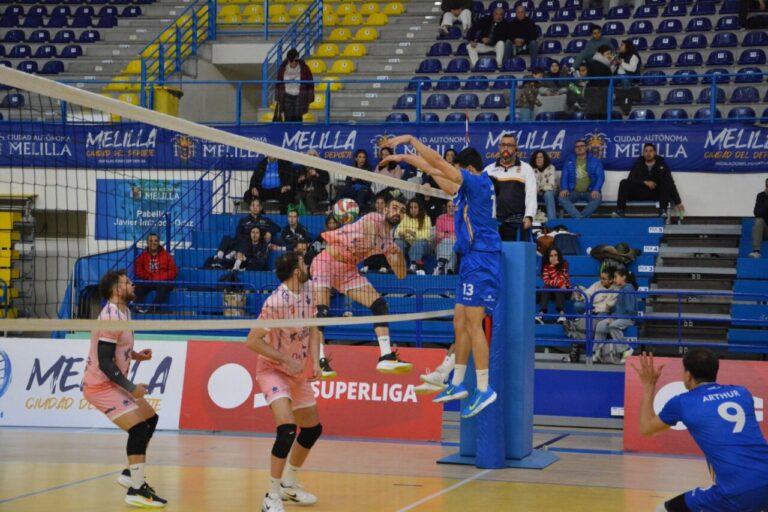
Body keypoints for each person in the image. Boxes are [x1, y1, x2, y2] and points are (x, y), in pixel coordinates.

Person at [380, 137, 501, 419]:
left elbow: (437, 163)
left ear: (468, 169)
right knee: (459, 320)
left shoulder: (480, 183)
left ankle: (484, 388)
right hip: (471, 258)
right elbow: (434, 171)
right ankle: (456, 382)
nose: (452, 173)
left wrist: (409, 140)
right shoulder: (465, 192)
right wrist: (402, 159)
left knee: (474, 324)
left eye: (456, 169)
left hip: (482, 259)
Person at [633, 348, 768, 512]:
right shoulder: (742, 393)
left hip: (736, 491)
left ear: (688, 375)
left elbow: (646, 429)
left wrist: (649, 385)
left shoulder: (683, 403)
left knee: (662, 510)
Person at [245, 252, 323, 512]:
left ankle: (290, 483)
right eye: (303, 263)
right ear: (295, 271)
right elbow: (252, 341)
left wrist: (317, 361)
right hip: (273, 370)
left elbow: (313, 328)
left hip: (298, 371)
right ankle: (272, 495)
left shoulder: (310, 290)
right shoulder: (276, 302)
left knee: (312, 429)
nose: (307, 265)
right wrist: (285, 360)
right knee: (287, 428)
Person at [82, 270, 167, 508]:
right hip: (100, 386)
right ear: (116, 289)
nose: (133, 284)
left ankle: (131, 473)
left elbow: (118, 349)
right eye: (128, 282)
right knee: (139, 428)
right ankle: (136, 489)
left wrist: (137, 356)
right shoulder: (110, 316)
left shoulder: (124, 311)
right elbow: (105, 361)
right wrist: (132, 387)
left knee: (150, 419)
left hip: (113, 382)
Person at [310, 191, 412, 375]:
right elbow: (370, 236)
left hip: (348, 270)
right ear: (386, 209)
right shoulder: (374, 219)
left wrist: (398, 254)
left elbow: (401, 275)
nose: (398, 212)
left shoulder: (389, 241)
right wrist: (381, 247)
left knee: (379, 304)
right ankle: (320, 361)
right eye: (395, 208)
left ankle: (386, 357)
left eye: (402, 211)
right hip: (326, 262)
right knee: (321, 311)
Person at [484, 132, 537, 241]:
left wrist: (529, 216)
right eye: (503, 145)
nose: (506, 148)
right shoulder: (488, 170)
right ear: (499, 147)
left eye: (509, 145)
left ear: (516, 148)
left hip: (517, 222)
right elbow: (482, 196)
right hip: (493, 222)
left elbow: (531, 195)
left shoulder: (526, 169)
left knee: (516, 256)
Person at [613, 143, 684, 219]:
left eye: (650, 151)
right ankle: (620, 211)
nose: (648, 153)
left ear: (655, 153)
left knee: (666, 183)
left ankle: (663, 211)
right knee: (624, 182)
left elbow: (671, 183)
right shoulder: (638, 164)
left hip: (655, 193)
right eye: (646, 151)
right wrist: (645, 182)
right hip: (640, 192)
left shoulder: (662, 165)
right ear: (643, 153)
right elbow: (631, 180)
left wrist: (678, 202)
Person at [564, 269, 619, 362]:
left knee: (596, 320)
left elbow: (608, 307)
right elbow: (588, 293)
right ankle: (577, 328)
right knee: (578, 305)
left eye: (604, 279)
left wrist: (595, 308)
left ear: (611, 280)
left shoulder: (616, 289)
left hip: (603, 312)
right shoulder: (597, 284)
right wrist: (581, 296)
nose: (601, 280)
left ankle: (574, 330)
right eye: (601, 278)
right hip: (593, 307)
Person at [209, 198, 280, 268]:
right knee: (226, 238)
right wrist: (246, 239)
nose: (255, 207)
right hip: (242, 243)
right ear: (250, 207)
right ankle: (219, 257)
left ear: (260, 208)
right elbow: (238, 234)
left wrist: (269, 232)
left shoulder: (265, 220)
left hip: (255, 246)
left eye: (257, 206)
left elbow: (277, 227)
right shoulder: (243, 220)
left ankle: (231, 257)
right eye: (253, 205)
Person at [593, 268, 636, 364]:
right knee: (600, 325)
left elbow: (630, 310)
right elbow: (619, 308)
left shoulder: (628, 289)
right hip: (619, 317)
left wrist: (614, 319)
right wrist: (612, 315)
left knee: (613, 326)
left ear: (623, 277)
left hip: (628, 319)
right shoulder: (622, 289)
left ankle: (627, 349)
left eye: (616, 277)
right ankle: (597, 352)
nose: (615, 279)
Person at [558, 139, 605, 218]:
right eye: (577, 146)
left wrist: (596, 189)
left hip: (589, 192)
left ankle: (580, 218)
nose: (579, 148)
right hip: (574, 192)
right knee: (561, 197)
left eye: (582, 146)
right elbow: (564, 176)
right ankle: (579, 218)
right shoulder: (569, 161)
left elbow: (600, 177)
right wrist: (564, 188)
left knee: (597, 198)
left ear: (586, 148)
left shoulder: (595, 161)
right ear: (574, 149)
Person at [132, 232, 177, 313]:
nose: (153, 243)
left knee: (165, 287)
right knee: (138, 286)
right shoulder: (142, 256)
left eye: (156, 241)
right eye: (151, 241)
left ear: (159, 242)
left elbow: (173, 271)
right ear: (147, 242)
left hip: (161, 281)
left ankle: (153, 309)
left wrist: (160, 277)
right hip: (148, 280)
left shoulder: (166, 256)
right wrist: (147, 276)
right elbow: (137, 269)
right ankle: (138, 308)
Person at [395, 198, 433, 274]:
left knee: (419, 242)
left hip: (424, 246)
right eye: (411, 207)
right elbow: (396, 232)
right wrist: (403, 233)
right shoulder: (406, 217)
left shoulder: (426, 218)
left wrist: (414, 234)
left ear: (419, 208)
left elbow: (427, 235)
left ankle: (414, 265)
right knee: (398, 241)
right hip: (409, 243)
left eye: (415, 207)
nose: (413, 209)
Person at [275, 48, 314, 123]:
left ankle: (297, 133)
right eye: (292, 61)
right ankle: (289, 134)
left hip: (299, 96)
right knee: (288, 119)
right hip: (286, 96)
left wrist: (309, 98)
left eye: (296, 60)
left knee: (298, 119)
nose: (294, 63)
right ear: (288, 60)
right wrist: (278, 98)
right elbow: (278, 84)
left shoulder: (305, 68)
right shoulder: (283, 69)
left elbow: (310, 83)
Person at [537, 247, 571, 325]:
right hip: (551, 291)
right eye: (551, 256)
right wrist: (552, 266)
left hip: (564, 291)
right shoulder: (546, 266)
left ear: (558, 256)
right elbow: (546, 280)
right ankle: (541, 314)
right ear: (548, 257)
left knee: (556, 287)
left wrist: (558, 283)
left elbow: (562, 280)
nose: (553, 258)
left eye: (555, 255)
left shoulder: (564, 263)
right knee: (546, 287)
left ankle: (562, 314)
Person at [585, 44, 616, 119]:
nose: (610, 56)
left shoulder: (601, 63)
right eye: (607, 54)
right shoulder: (599, 65)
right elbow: (602, 81)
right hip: (598, 97)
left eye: (610, 54)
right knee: (598, 119)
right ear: (601, 55)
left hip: (599, 96)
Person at [294, 149, 330, 214]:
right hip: (305, 191)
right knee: (298, 197)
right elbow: (296, 182)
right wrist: (299, 180)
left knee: (310, 196)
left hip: (319, 192)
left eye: (314, 155)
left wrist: (316, 174)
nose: (312, 156)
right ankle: (301, 215)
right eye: (310, 155)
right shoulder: (303, 168)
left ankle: (314, 216)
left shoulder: (322, 167)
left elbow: (326, 181)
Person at [529, 150, 558, 221]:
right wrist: (536, 190)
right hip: (536, 192)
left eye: (541, 157)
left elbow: (551, 185)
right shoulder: (530, 169)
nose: (539, 159)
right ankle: (529, 219)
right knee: (528, 194)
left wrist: (541, 189)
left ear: (544, 158)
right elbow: (530, 184)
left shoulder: (551, 168)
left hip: (550, 191)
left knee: (548, 194)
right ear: (534, 159)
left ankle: (552, 222)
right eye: (537, 158)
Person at [434, 200, 458, 275]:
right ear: (446, 208)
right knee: (448, 241)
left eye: (453, 206)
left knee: (453, 247)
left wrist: (445, 234)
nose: (451, 208)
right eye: (449, 206)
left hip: (456, 246)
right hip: (441, 247)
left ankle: (441, 267)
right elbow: (438, 235)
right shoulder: (441, 218)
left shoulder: (460, 219)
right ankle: (448, 270)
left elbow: (461, 237)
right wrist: (451, 236)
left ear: (456, 207)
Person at [749, 177, 768, 259]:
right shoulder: (761, 196)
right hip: (766, 230)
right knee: (758, 221)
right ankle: (756, 251)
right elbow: (757, 213)